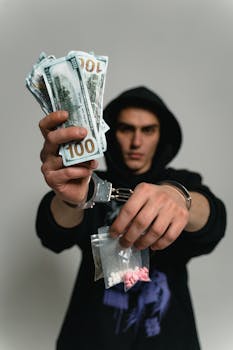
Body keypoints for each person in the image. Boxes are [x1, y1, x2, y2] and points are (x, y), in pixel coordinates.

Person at [36, 86, 226, 349]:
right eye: (126, 129)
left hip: (169, 338)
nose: (137, 142)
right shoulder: (91, 183)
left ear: (161, 136)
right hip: (91, 338)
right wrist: (70, 198)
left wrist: (181, 199)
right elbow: (53, 234)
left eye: (148, 130)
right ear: (112, 133)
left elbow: (214, 222)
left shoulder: (183, 182)